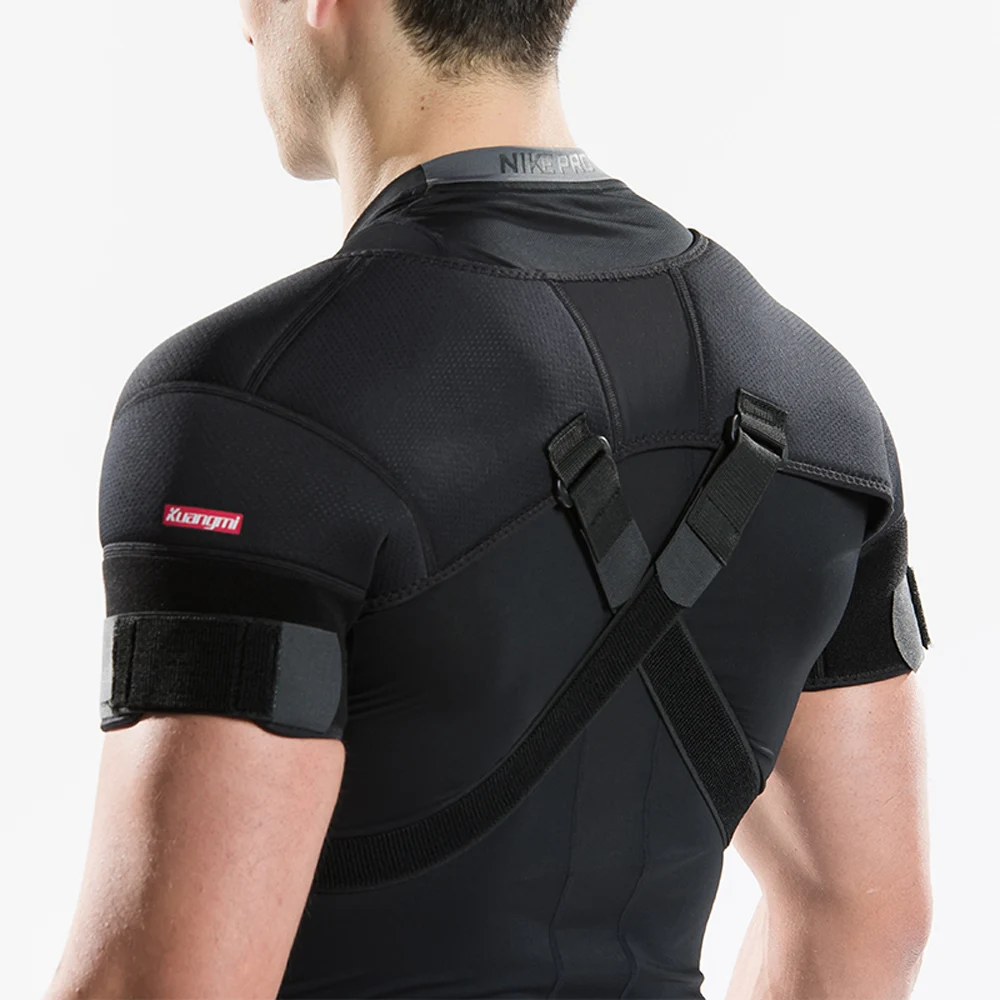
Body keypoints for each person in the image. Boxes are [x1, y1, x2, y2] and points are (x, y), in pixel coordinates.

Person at [45, 2, 933, 998]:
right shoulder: (823, 408)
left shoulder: (254, 407)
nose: (243, 25)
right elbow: (868, 916)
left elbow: (158, 982)